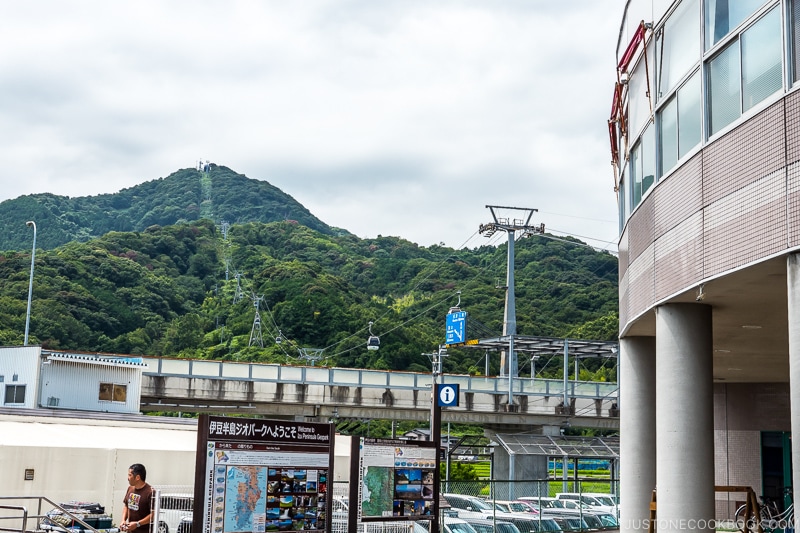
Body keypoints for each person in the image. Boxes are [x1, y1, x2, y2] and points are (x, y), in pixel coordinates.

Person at [121, 464, 154, 533]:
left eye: (130, 475)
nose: (128, 478)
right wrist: (123, 520)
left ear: (137, 477)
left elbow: (153, 514)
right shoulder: (130, 489)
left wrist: (137, 524)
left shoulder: (150, 492)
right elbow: (126, 506)